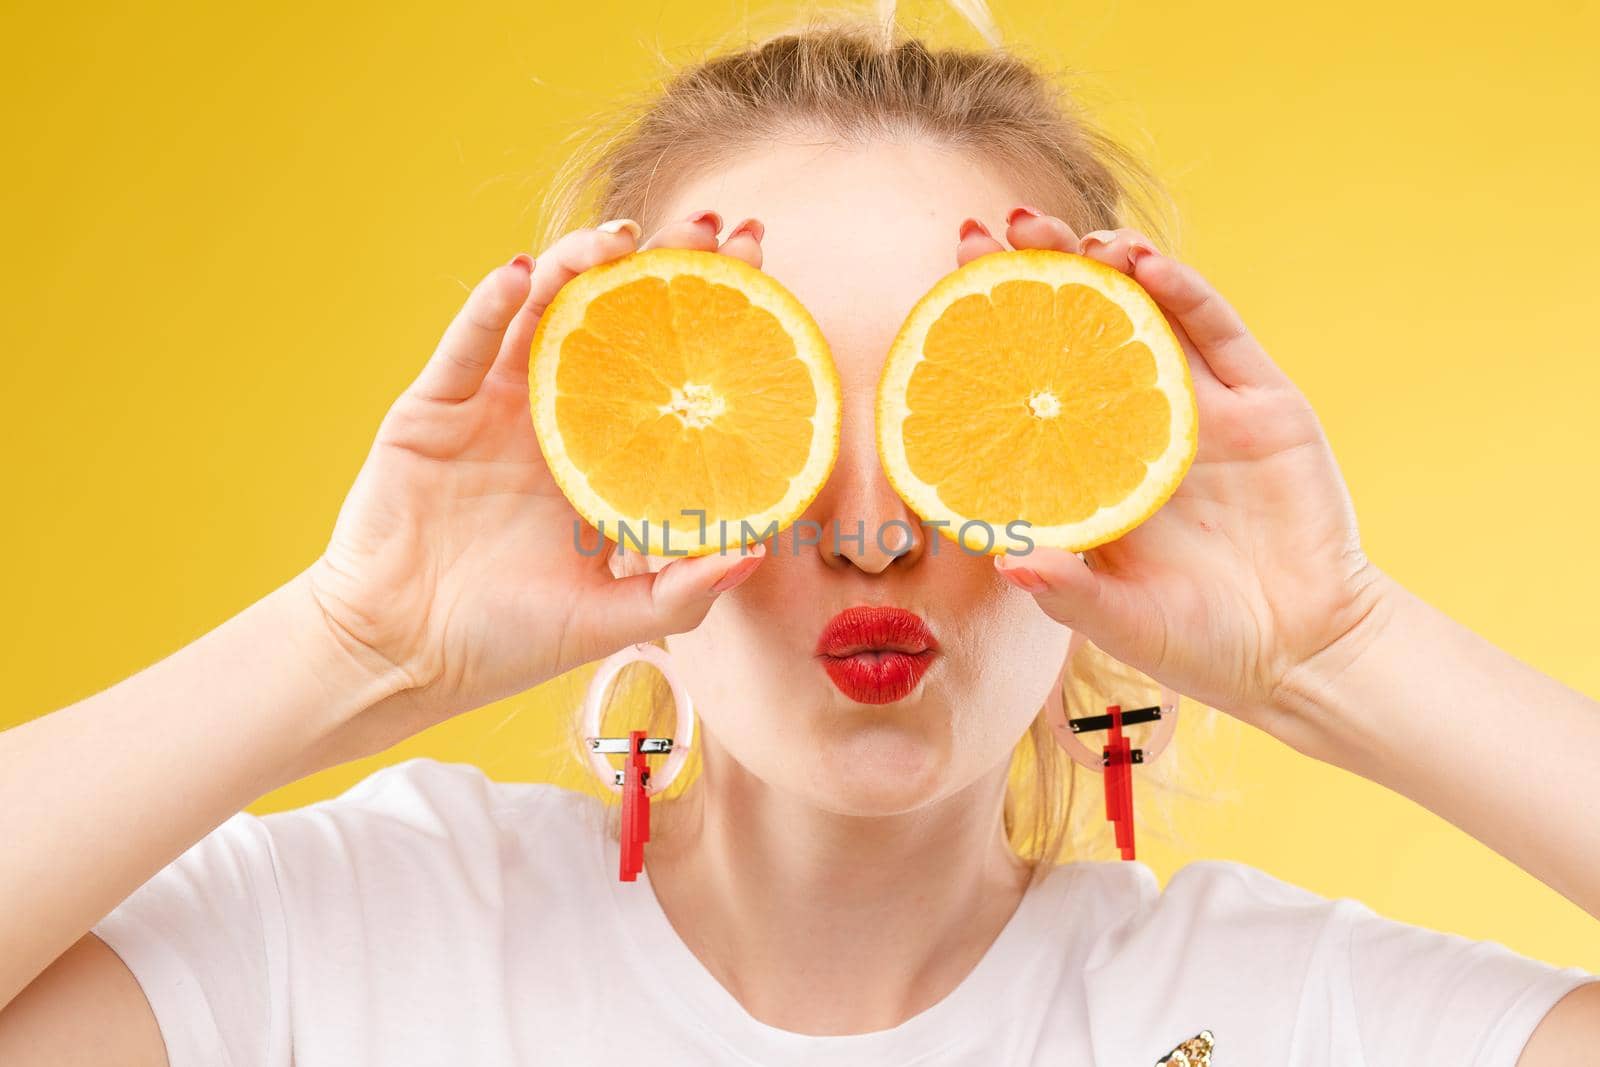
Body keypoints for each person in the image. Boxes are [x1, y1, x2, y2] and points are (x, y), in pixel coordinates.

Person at [2, 7, 1597, 1065]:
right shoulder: (354, 941)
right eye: (777, 418)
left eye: (949, 403)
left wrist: (1345, 652)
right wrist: (348, 645)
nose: (874, 527)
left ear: (1109, 460)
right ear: (602, 461)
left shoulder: (1281, 1016)